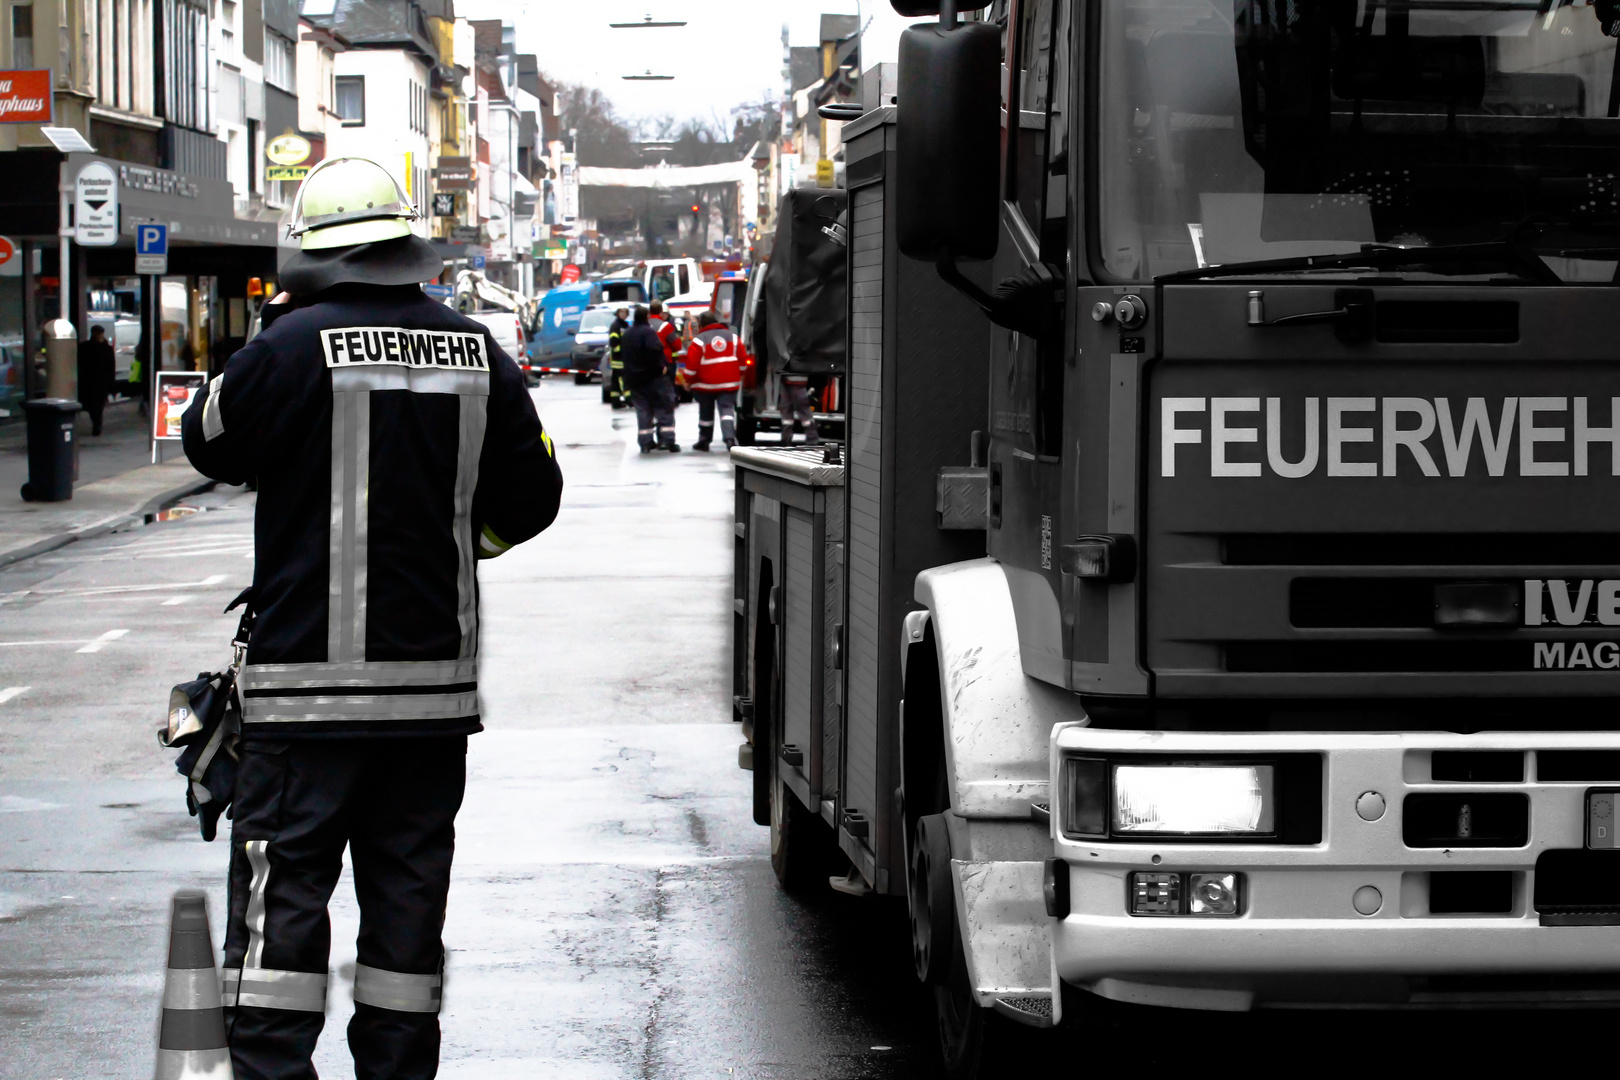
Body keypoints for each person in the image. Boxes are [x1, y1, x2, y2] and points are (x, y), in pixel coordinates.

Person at [180, 156, 563, 1079]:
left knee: (286, 908)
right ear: (408, 247)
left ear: (311, 252)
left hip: (305, 705)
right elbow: (536, 494)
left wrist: (275, 335)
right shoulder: (480, 353)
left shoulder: (285, 348)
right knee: (405, 915)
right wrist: (454, 547)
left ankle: (274, 1073)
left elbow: (207, 441)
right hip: (431, 702)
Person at [681, 309, 741, 451]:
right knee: (727, 410)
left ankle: (704, 440)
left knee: (706, 412)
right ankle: (730, 439)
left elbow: (692, 365)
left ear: (701, 324)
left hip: (705, 384)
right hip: (729, 382)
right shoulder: (732, 337)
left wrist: (687, 381)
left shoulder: (699, 340)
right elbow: (743, 360)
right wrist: (741, 374)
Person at [623, 305, 679, 453]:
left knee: (643, 410)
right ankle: (667, 440)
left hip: (634, 380)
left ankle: (646, 442)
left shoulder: (627, 334)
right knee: (664, 407)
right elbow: (655, 352)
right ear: (647, 317)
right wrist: (662, 367)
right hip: (654, 379)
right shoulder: (649, 333)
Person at [76, 324, 115, 435]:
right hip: (90, 381)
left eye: (100, 333)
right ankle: (97, 425)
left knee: (98, 406)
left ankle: (97, 426)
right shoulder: (85, 347)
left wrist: (111, 385)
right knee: (93, 406)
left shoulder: (106, 349)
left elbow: (111, 367)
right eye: (97, 333)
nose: (98, 336)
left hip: (101, 382)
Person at [780, 371, 821, 446]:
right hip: (792, 380)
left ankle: (811, 439)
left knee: (797, 412)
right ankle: (811, 439)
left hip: (793, 379)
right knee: (799, 412)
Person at [607, 306, 630, 409]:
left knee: (616, 381)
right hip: (619, 359)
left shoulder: (625, 325)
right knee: (623, 380)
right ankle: (629, 399)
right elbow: (613, 342)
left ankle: (616, 401)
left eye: (625, 312)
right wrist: (623, 350)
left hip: (623, 358)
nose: (623, 314)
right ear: (618, 313)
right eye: (621, 312)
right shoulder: (616, 326)